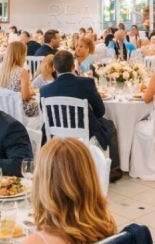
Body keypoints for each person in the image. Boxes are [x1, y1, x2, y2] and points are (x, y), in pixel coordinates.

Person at [40, 51, 121, 180]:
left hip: (55, 132)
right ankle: (112, 169)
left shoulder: (45, 90)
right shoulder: (86, 83)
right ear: (73, 66)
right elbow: (100, 111)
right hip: (85, 131)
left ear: (54, 68)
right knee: (110, 125)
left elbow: (46, 114)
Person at [0, 41, 39, 125]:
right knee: (41, 104)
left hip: (5, 107)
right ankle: (40, 135)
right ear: (20, 55)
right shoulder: (22, 72)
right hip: (19, 108)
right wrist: (32, 92)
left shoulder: (0, 69)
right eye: (25, 55)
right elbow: (25, 97)